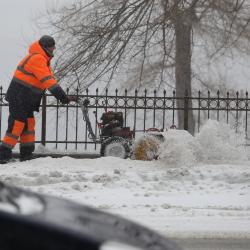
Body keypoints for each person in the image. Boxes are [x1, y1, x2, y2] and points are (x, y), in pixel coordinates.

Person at [0, 35, 76, 163]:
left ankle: (26, 154)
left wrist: (65, 97)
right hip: (19, 97)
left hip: (26, 99)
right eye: (52, 47)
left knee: (29, 124)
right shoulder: (37, 58)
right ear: (45, 47)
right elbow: (49, 81)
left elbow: (50, 80)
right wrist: (63, 97)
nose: (54, 49)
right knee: (16, 125)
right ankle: (3, 154)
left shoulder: (42, 60)